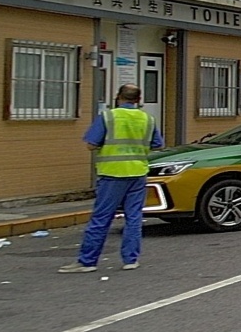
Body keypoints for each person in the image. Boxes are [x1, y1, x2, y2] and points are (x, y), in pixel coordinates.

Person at [59, 84, 164, 273]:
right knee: (134, 218)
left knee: (101, 218)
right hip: (138, 172)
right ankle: (131, 260)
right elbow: (158, 144)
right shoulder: (147, 119)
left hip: (112, 174)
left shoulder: (108, 117)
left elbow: (91, 144)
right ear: (138, 100)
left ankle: (88, 261)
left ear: (118, 97)